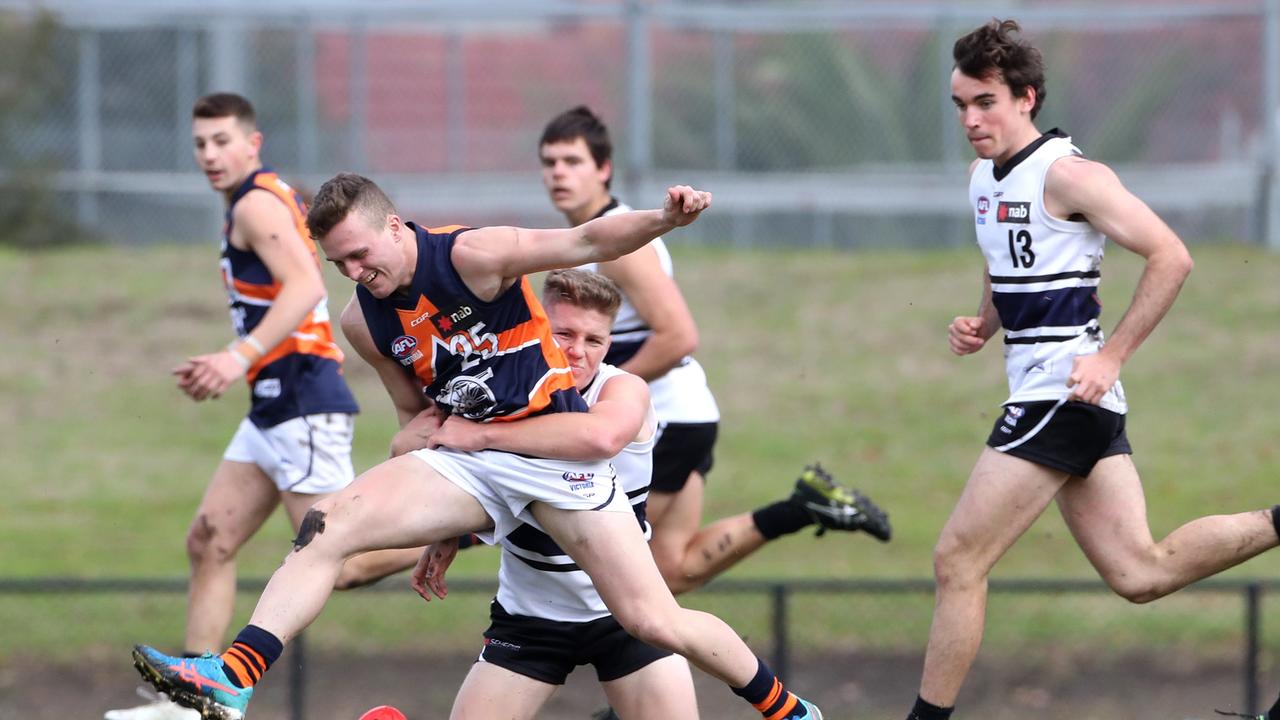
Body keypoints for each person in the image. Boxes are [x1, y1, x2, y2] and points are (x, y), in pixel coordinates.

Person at [130, 173, 824, 720]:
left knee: (652, 617)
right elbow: (421, 419)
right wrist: (441, 518)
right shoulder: (362, 320)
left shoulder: (473, 256)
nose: (352, 272)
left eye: (360, 255)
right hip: (475, 469)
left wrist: (665, 220)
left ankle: (787, 709)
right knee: (329, 524)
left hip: (555, 463)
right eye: (337, 262)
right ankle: (234, 677)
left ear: (395, 228)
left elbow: (587, 240)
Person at [905, 20, 1280, 720]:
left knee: (957, 560)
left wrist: (1111, 357)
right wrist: (985, 321)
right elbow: (1004, 255)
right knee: (1141, 572)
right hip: (1055, 390)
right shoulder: (981, 176)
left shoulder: (1073, 175)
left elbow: (1172, 256)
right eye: (960, 105)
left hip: (1063, 389)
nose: (970, 119)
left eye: (984, 101)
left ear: (1027, 97)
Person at [106, 94, 410, 720]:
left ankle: (473, 525)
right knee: (210, 539)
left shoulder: (255, 202)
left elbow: (305, 284)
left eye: (222, 141)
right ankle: (191, 700)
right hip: (272, 404)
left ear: (253, 142)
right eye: (200, 144)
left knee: (342, 562)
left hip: (300, 396)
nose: (210, 154)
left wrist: (236, 356)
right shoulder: (252, 202)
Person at [538, 106, 891, 598]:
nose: (558, 173)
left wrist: (600, 400)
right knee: (671, 570)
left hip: (669, 422)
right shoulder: (600, 237)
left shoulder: (621, 242)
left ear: (603, 169)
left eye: (572, 161)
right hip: (682, 417)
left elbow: (678, 336)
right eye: (550, 162)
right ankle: (803, 507)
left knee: (605, 566)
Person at [412, 268, 699, 719]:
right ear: (538, 328)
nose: (577, 351)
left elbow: (596, 437)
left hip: (626, 614)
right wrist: (446, 526)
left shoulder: (623, 390)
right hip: (530, 618)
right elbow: (422, 447)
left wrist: (484, 436)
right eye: (564, 333)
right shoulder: (497, 394)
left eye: (594, 340)